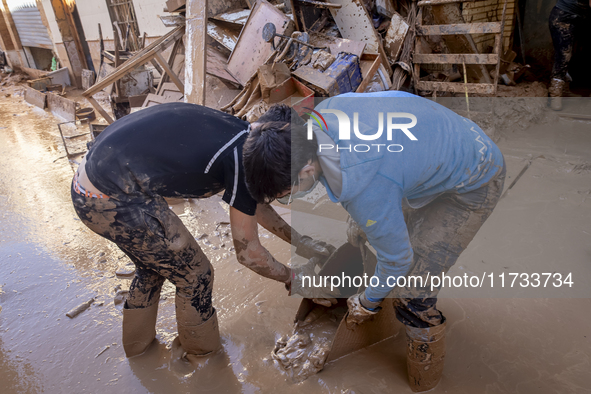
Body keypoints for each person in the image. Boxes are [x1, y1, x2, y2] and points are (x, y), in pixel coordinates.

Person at [242, 91, 506, 392]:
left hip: (476, 178)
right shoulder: (321, 117)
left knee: (412, 291)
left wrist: (365, 303)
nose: (288, 198)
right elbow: (375, 172)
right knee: (370, 231)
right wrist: (364, 219)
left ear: (306, 170)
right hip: (441, 141)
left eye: (286, 194)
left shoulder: (362, 184)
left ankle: (426, 381)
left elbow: (398, 258)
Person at [71, 102, 330, 359]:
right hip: (110, 198)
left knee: (154, 266)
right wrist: (295, 279)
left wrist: (301, 242)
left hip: (94, 178)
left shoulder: (250, 138)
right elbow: (249, 253)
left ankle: (139, 352)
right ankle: (201, 359)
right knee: (195, 276)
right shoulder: (244, 163)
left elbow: (254, 205)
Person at [548, 0, 591, 110]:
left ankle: (565, 89)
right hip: (563, 16)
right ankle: (556, 94)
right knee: (564, 54)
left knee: (576, 53)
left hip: (582, 17)